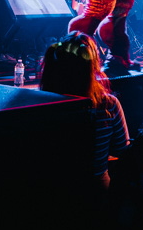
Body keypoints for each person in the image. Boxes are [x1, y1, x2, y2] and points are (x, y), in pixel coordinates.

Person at [38, 32, 129, 190]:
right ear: (92, 66)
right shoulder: (108, 105)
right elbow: (123, 151)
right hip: (96, 192)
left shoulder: (41, 106)